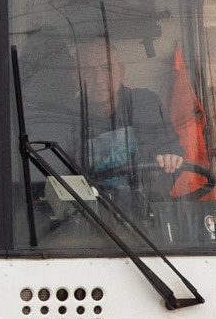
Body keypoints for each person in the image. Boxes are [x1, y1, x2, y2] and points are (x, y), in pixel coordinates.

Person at [72, 39, 184, 199]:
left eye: (106, 69)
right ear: (76, 77)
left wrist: (168, 162)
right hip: (94, 216)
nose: (99, 80)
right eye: (89, 72)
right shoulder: (67, 118)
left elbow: (173, 153)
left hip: (147, 210)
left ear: (121, 72)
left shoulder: (146, 104)